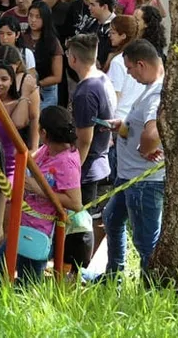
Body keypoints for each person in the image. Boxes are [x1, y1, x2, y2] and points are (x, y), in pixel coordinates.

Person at [0, 106, 82, 283]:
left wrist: (37, 188)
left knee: (24, 285)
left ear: (43, 132)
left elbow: (75, 203)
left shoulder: (66, 161)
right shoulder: (48, 149)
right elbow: (30, 161)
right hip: (24, 224)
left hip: (39, 232)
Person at [99, 39, 165, 282]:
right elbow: (141, 126)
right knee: (112, 219)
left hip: (143, 182)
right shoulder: (151, 89)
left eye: (129, 69)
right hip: (128, 178)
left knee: (145, 241)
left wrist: (146, 148)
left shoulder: (158, 92)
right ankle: (113, 275)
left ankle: (150, 290)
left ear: (141, 64)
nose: (129, 73)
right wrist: (123, 125)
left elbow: (152, 132)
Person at [66, 33, 114, 269]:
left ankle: (78, 269)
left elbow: (85, 138)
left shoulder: (85, 92)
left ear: (73, 59)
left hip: (87, 166)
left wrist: (74, 170)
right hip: (101, 160)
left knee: (80, 224)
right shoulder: (102, 78)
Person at [26, 2, 64, 109]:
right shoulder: (22, 38)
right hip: (25, 87)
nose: (33, 20)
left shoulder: (52, 42)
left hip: (46, 90)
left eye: (38, 17)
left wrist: (37, 84)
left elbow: (57, 76)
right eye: (31, 15)